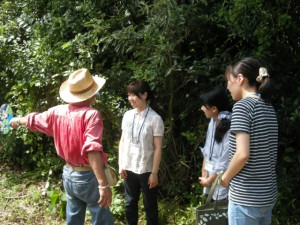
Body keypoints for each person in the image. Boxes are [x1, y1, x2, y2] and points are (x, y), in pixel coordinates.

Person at [9, 68, 114, 225]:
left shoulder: (56, 111)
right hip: (87, 177)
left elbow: (35, 119)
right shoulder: (91, 115)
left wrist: (17, 120)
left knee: (73, 219)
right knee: (102, 219)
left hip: (68, 174)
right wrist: (103, 184)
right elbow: (92, 150)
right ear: (91, 93)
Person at [220, 57, 278, 225]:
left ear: (240, 79)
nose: (227, 86)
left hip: (245, 198)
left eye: (229, 81)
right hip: (267, 196)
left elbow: (242, 154)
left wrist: (225, 178)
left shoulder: (242, 107)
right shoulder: (268, 106)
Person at [118, 80, 164, 225]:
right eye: (129, 95)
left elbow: (157, 148)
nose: (130, 98)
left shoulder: (155, 119)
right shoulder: (127, 115)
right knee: (130, 203)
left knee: (150, 205)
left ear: (144, 95)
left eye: (134, 95)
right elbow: (123, 141)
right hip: (129, 167)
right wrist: (121, 164)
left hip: (146, 169)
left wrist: (154, 173)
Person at [198, 87, 231, 201]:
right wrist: (204, 172)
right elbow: (207, 149)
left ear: (214, 109)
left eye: (204, 105)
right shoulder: (212, 122)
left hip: (222, 181)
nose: (202, 108)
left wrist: (209, 180)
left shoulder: (230, 127)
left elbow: (225, 161)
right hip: (209, 178)